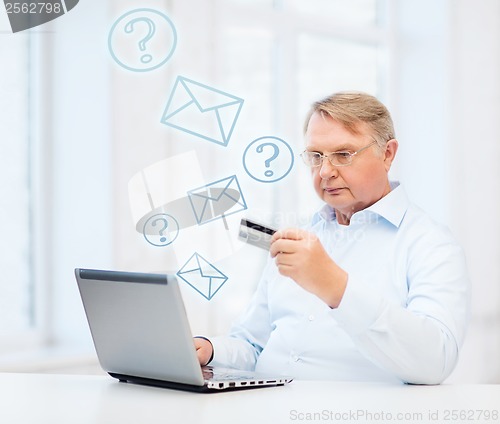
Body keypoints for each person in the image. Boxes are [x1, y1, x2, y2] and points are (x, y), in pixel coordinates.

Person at [194, 91, 470, 384]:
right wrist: (210, 350)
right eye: (316, 156)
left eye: (343, 155)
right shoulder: (301, 236)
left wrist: (336, 287)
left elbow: (435, 362)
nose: (325, 171)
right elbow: (253, 343)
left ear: (387, 154)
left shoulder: (430, 244)